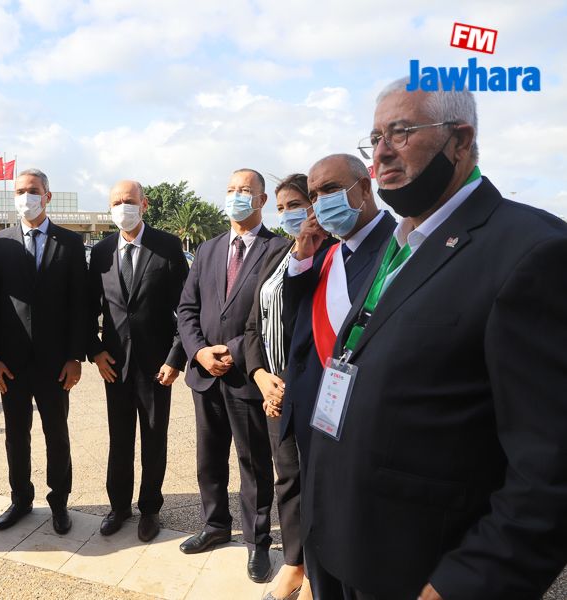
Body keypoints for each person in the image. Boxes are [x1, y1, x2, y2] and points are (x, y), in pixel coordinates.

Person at [303, 79, 567, 599]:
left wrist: (462, 583)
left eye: (401, 132)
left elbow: (551, 469)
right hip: (344, 547)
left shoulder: (533, 251)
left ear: (460, 140)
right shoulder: (402, 243)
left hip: (419, 569)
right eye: (375, 138)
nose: (381, 152)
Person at [176, 168, 289, 583]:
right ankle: (215, 525)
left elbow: (273, 315)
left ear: (262, 200)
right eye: (230, 190)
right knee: (209, 458)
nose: (236, 196)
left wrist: (234, 352)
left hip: (247, 375)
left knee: (253, 463)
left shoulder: (279, 249)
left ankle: (257, 542)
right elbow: (187, 309)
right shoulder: (208, 249)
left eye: (245, 190)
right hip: (205, 374)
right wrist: (199, 351)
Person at [0, 168, 87, 535]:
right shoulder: (0, 243)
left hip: (55, 363)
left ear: (47, 196)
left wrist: (75, 356)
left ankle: (59, 502)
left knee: (57, 434)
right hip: (11, 363)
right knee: (16, 435)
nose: (26, 197)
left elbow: (80, 304)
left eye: (33, 190)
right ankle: (21, 498)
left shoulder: (70, 243)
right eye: (20, 191)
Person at [86, 180, 189, 542]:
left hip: (157, 366)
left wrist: (176, 357)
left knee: (153, 438)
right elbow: (89, 307)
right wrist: (95, 350)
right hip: (114, 365)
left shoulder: (167, 247)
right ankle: (118, 507)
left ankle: (150, 509)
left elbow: (186, 307)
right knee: (119, 439)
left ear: (143, 204)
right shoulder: (101, 251)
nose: (122, 207)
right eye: (116, 202)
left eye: (128, 201)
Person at [281, 156, 396, 469]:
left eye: (330, 189)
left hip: (363, 418)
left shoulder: (399, 247)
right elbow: (294, 324)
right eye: (314, 195)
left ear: (364, 188)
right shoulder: (326, 254)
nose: (320, 202)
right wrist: (302, 257)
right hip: (315, 411)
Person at [242, 173, 315, 600]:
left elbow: (316, 330)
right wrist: (260, 376)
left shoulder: (328, 255)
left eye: (296, 205)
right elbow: (253, 324)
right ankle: (294, 563)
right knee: (287, 478)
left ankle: (316, 574)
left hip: (305, 390)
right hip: (271, 390)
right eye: (282, 207)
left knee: (315, 481)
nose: (287, 214)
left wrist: (283, 384)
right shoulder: (278, 255)